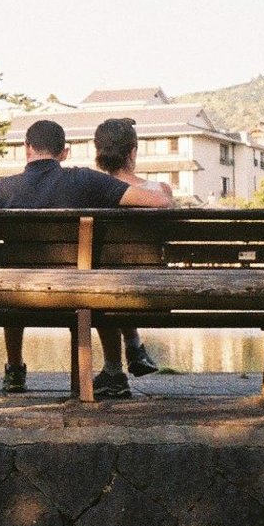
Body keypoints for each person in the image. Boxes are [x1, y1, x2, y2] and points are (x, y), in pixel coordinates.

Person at [0, 118, 171, 399]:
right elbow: (160, 202)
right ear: (64, 152)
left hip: (16, 294)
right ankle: (115, 368)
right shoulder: (85, 180)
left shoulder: (0, 190)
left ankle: (7, 364)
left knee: (10, 273)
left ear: (26, 148)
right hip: (74, 291)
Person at [91, 117, 169, 383]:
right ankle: (134, 346)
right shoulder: (160, 191)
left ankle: (113, 368)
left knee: (106, 277)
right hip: (154, 289)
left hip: (101, 288)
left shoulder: (88, 193)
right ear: (133, 151)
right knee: (122, 273)